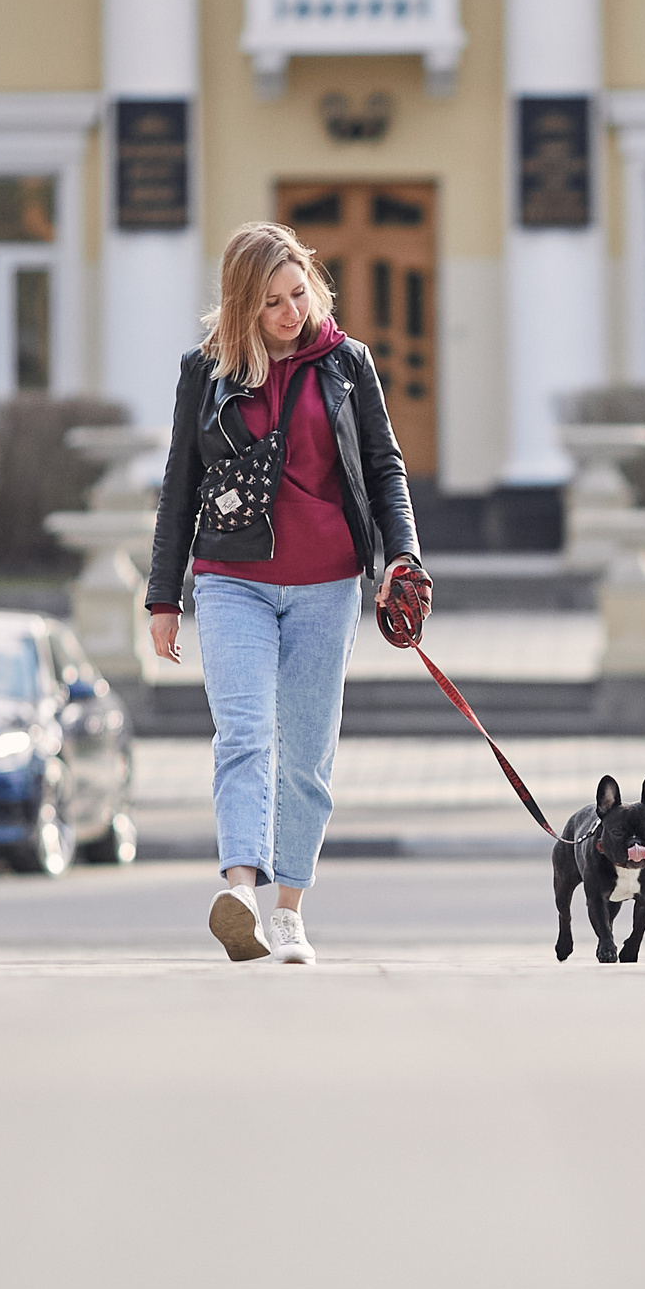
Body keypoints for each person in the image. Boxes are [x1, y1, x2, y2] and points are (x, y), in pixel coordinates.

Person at [144, 221, 423, 964]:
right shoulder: (205, 373)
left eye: (298, 293)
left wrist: (403, 558)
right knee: (242, 734)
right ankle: (240, 891)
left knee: (304, 752)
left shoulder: (348, 364)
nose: (290, 312)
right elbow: (180, 486)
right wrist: (162, 595)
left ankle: (290, 908)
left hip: (327, 584)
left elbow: (385, 468)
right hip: (233, 579)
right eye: (271, 302)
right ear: (242, 306)